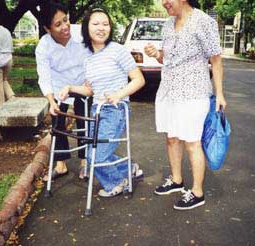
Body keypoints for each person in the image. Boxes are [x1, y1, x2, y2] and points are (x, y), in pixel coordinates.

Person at [144, 0, 227, 210]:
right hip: (168, 92)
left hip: (193, 93)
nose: (164, 3)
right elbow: (167, 59)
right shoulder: (167, 24)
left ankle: (197, 192)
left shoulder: (203, 22)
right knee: (172, 138)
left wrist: (219, 94)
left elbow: (216, 61)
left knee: (192, 142)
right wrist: (156, 55)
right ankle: (176, 180)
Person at [59, 8, 145, 197]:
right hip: (96, 110)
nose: (101, 28)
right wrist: (70, 87)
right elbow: (90, 90)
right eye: (96, 23)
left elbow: (139, 79)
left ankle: (117, 183)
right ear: (86, 27)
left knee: (94, 155)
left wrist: (118, 95)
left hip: (115, 110)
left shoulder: (118, 50)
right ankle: (128, 168)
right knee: (93, 153)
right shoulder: (88, 58)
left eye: (105, 24)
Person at [35, 3, 92, 179]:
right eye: (58, 24)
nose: (65, 27)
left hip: (83, 84)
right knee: (57, 123)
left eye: (65, 20)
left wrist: (89, 83)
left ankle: (85, 162)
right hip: (60, 88)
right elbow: (44, 77)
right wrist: (52, 102)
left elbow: (94, 55)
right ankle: (60, 165)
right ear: (47, 28)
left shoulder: (81, 33)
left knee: (84, 122)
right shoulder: (43, 47)